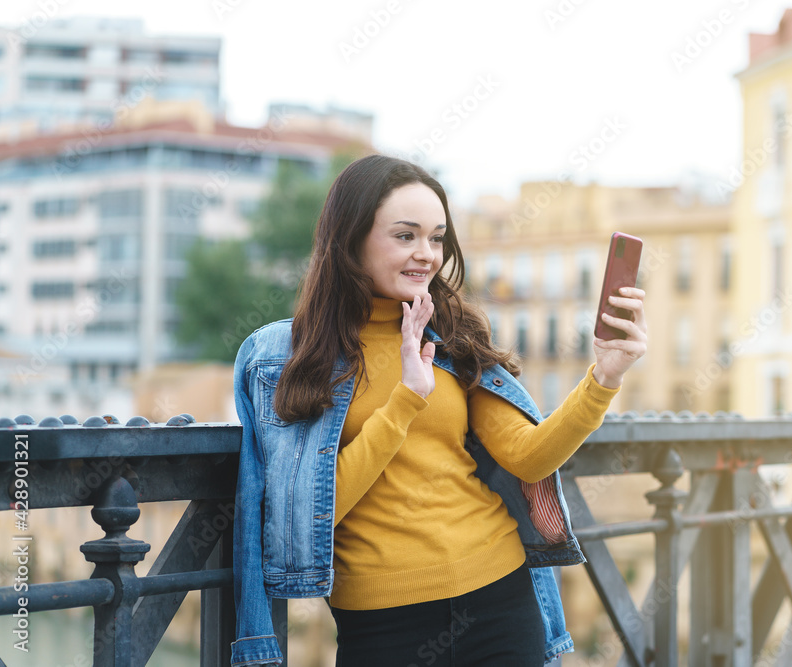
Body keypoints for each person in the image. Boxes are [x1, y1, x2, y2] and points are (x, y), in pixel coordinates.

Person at [231, 154, 647, 667]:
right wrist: (406, 399)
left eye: (436, 237)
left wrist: (604, 376)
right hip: (382, 621)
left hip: (499, 594)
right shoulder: (287, 356)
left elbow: (530, 458)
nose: (426, 254)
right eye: (405, 236)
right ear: (350, 238)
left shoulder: (454, 337)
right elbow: (310, 516)